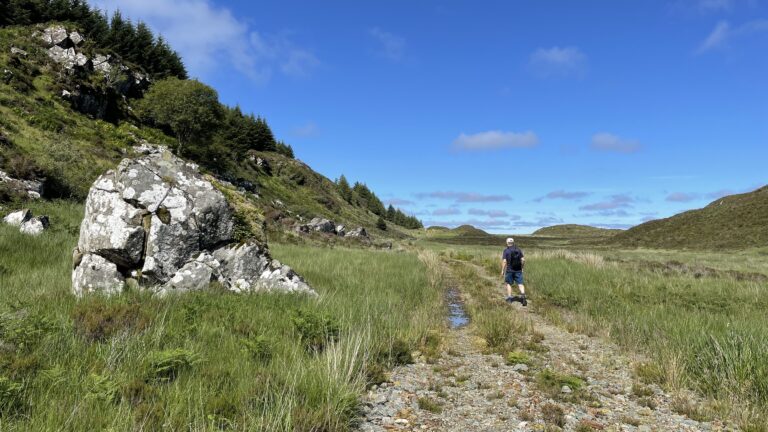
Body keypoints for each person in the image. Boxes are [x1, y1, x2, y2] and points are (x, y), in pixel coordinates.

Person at [501, 237, 526, 306]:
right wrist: (522, 268)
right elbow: (523, 260)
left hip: (509, 270)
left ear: (507, 243)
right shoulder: (518, 250)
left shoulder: (506, 251)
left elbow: (504, 261)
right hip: (518, 270)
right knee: (520, 284)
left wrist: (502, 270)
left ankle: (509, 299)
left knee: (509, 284)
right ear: (513, 242)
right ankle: (523, 296)